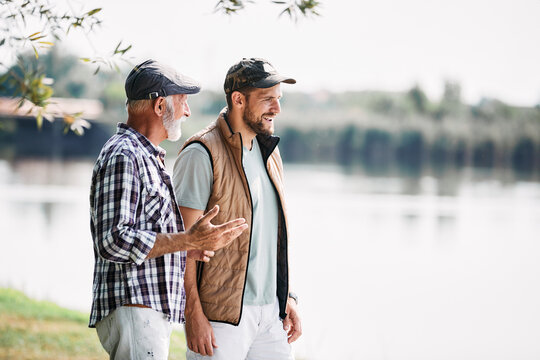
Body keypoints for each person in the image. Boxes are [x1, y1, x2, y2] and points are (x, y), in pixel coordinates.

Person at [89, 59, 248, 360]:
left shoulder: (145, 156)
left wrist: (185, 249)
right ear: (160, 106)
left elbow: (142, 235)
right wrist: (188, 240)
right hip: (135, 307)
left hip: (144, 310)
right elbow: (113, 241)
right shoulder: (125, 155)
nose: (187, 110)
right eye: (183, 101)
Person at [172, 58, 302, 360]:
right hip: (221, 317)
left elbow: (273, 235)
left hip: (272, 315)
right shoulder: (201, 152)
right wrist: (192, 312)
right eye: (268, 99)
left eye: (278, 99)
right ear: (238, 99)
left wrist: (289, 295)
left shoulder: (270, 152)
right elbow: (182, 245)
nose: (277, 109)